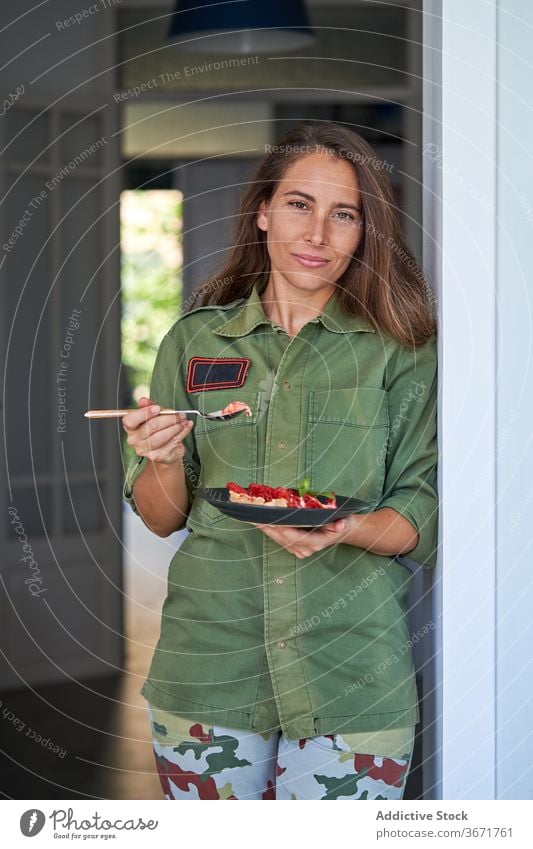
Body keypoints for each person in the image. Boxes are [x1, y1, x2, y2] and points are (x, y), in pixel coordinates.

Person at [122, 121, 438, 801]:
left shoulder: (399, 350)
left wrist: (342, 528)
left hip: (352, 670)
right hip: (208, 666)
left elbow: (423, 504)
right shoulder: (194, 341)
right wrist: (164, 457)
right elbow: (157, 517)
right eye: (299, 204)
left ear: (364, 232)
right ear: (262, 210)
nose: (317, 234)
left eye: (343, 214)